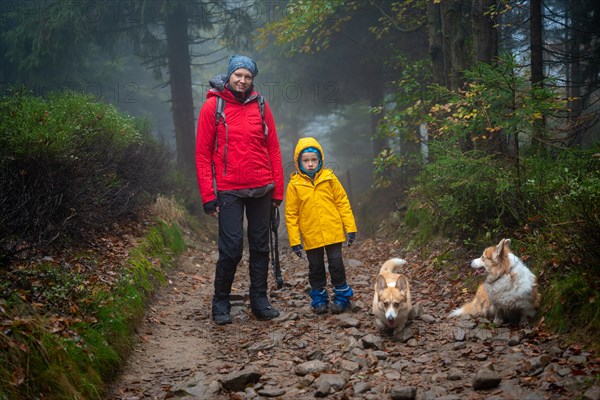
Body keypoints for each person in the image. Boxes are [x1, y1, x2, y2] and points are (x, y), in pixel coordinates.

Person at [195, 55, 284, 325]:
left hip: (261, 188)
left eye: (248, 77)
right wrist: (208, 196)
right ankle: (220, 302)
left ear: (252, 80)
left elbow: (274, 149)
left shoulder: (261, 105)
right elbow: (202, 154)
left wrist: (277, 191)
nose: (243, 80)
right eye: (238, 75)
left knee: (260, 247)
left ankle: (259, 300)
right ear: (230, 76)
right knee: (231, 249)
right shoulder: (213, 106)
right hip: (229, 190)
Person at [284, 137, 357, 314]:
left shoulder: (330, 178)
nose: (310, 164)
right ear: (298, 162)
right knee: (315, 267)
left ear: (320, 160)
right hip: (311, 234)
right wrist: (295, 240)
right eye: (306, 160)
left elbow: (342, 202)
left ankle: (341, 298)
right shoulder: (294, 185)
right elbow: (291, 214)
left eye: (314, 160)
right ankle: (319, 299)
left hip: (333, 231)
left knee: (336, 265)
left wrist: (350, 228)